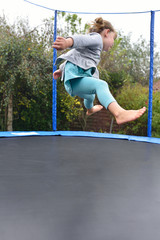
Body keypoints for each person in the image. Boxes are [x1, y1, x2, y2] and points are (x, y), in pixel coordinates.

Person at [52, 17, 146, 125]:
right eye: (113, 39)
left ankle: (90, 109)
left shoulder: (93, 50)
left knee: (91, 94)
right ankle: (119, 113)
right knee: (101, 85)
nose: (112, 44)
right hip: (74, 79)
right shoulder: (97, 39)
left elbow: (76, 55)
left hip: (76, 79)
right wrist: (67, 42)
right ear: (107, 33)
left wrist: (61, 69)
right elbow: (81, 39)